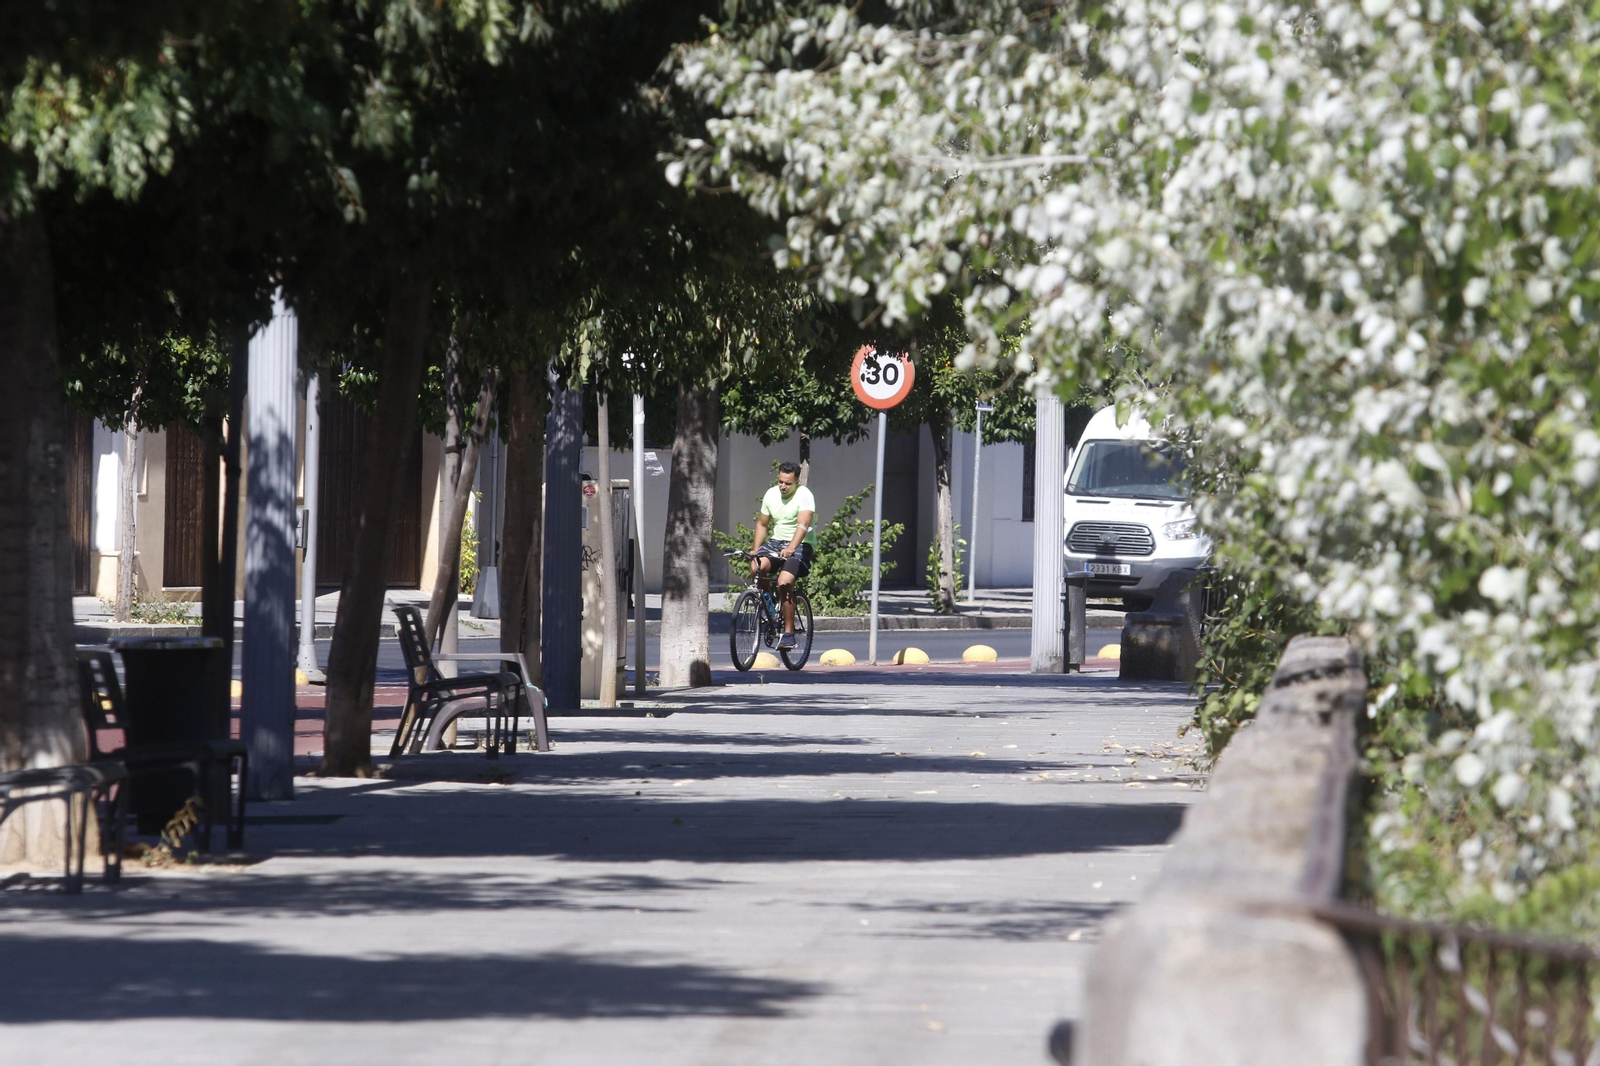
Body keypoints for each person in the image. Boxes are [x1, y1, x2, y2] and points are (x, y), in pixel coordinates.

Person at [749, 462, 816, 648]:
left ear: (797, 481)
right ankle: (768, 608)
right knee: (756, 566)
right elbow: (762, 524)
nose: (783, 486)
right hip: (777, 541)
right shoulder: (771, 494)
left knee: (784, 582)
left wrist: (792, 548)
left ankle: (788, 633)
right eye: (780, 482)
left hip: (801, 543)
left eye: (788, 483)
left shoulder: (805, 495)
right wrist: (755, 550)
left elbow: (803, 524)